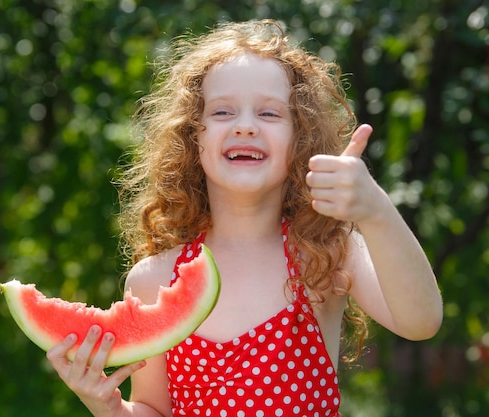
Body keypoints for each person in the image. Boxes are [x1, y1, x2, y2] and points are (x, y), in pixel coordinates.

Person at [46, 19, 443, 417]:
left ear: (300, 138)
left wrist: (375, 210)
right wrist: (110, 407)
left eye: (270, 114)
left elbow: (421, 322)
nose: (246, 127)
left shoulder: (326, 253)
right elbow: (154, 409)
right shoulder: (153, 280)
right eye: (222, 112)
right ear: (192, 137)